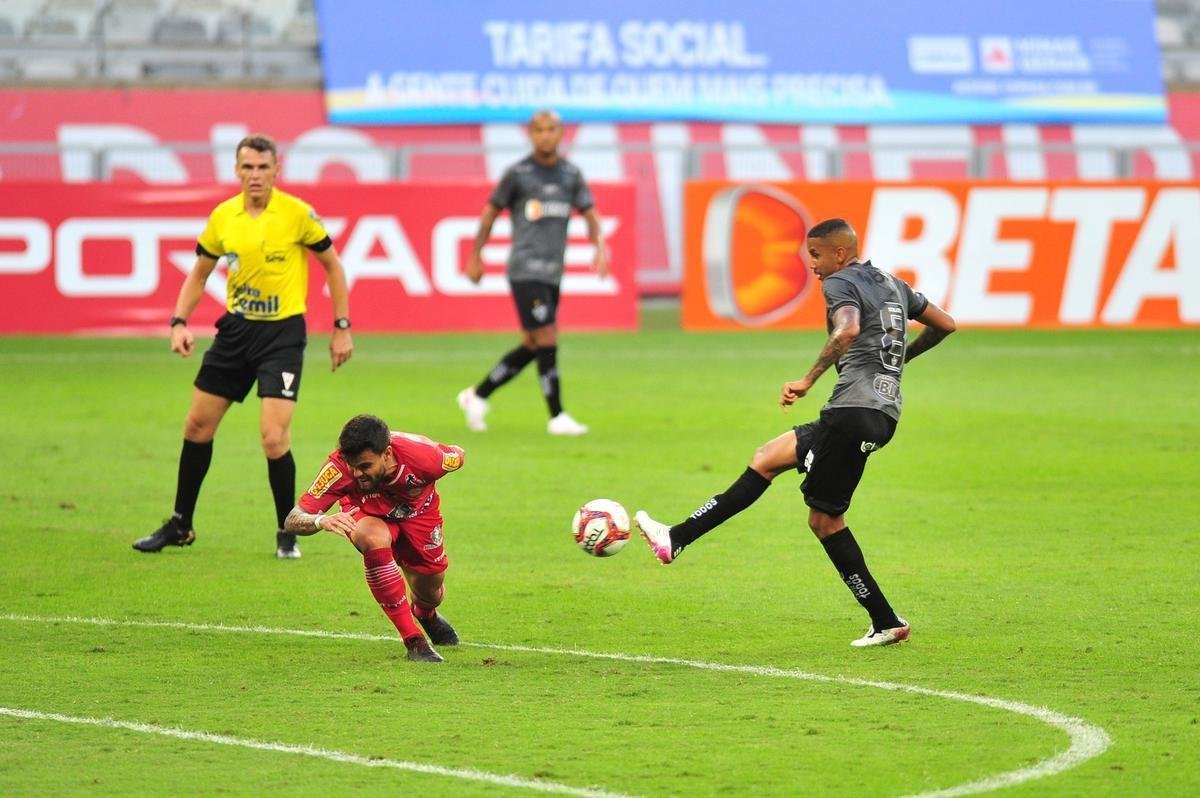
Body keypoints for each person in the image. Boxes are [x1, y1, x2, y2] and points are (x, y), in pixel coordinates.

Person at [635, 218, 956, 647]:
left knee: (825, 520)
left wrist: (807, 379)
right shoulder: (893, 283)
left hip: (851, 412)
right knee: (767, 457)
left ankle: (885, 619)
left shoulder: (841, 282)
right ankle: (675, 538)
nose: (813, 265)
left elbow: (848, 329)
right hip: (877, 413)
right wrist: (902, 361)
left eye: (816, 255)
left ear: (840, 253)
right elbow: (945, 323)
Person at [133, 133, 354, 559]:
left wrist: (341, 326)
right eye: (247, 167)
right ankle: (181, 524)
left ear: (276, 170)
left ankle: (286, 530)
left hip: (283, 335)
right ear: (237, 170)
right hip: (235, 332)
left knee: (273, 438)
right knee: (197, 427)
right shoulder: (223, 217)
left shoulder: (297, 214)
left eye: (263, 167)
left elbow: (333, 266)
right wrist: (178, 321)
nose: (255, 175)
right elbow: (198, 274)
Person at [456, 108, 608, 437]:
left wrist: (600, 246)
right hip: (525, 269)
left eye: (551, 129)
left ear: (560, 133)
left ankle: (477, 396)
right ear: (531, 134)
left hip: (553, 273)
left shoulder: (570, 174)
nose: (545, 135)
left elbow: (591, 213)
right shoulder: (519, 173)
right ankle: (557, 416)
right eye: (538, 130)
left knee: (532, 342)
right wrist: (475, 254)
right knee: (548, 337)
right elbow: (489, 214)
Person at [283, 414, 464, 663]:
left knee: (431, 590)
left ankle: (426, 613)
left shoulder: (425, 458)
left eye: (365, 466)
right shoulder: (338, 468)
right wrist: (320, 520)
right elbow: (293, 519)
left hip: (419, 517)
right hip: (367, 515)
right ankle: (414, 641)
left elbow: (458, 454)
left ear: (387, 454)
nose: (357, 473)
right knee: (370, 536)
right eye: (352, 465)